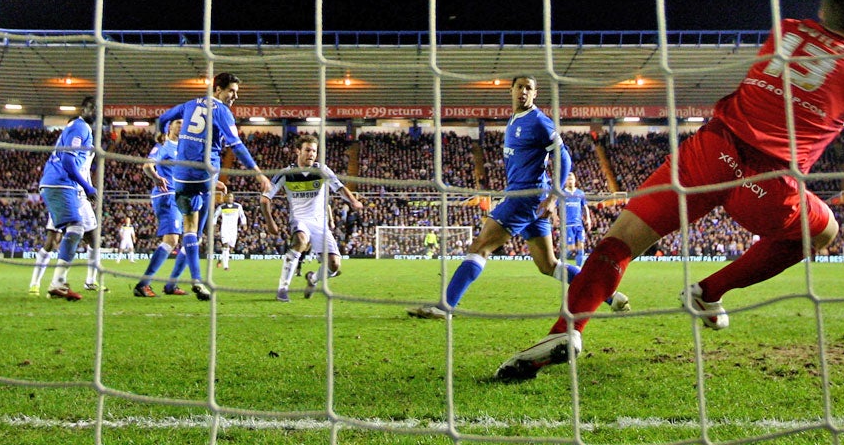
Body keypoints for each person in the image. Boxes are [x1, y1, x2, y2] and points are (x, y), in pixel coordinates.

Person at [496, 0, 844, 380]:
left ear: (822, 12)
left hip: (708, 151)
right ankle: (708, 291)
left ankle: (567, 333)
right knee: (824, 231)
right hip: (765, 182)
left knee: (621, 240)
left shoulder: (785, 31)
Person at [408, 74, 629, 319]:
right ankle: (610, 295)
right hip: (530, 196)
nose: (523, 91)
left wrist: (553, 198)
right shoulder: (515, 119)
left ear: (535, 93)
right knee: (549, 265)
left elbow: (564, 158)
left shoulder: (539, 122)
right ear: (511, 91)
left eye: (529, 88)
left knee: (480, 246)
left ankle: (444, 308)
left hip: (526, 196)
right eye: (519, 87)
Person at [157, 72, 273, 301]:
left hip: (181, 174)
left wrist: (161, 135)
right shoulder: (221, 111)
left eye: (236, 92)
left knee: (191, 228)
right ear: (218, 89)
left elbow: (164, 117)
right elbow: (237, 146)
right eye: (231, 91)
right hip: (204, 172)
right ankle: (197, 281)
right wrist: (258, 174)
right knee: (197, 231)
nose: (234, 96)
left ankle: (172, 283)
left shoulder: (190, 104)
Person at [261, 133, 363, 302]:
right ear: (297, 151)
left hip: (320, 223)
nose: (311, 154)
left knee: (334, 265)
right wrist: (270, 223)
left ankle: (313, 279)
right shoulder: (286, 173)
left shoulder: (322, 170)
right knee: (300, 241)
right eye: (307, 150)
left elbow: (340, 188)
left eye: (314, 151)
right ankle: (282, 289)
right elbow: (265, 198)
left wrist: (353, 201)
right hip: (299, 219)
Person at [39, 95, 100, 301]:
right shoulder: (80, 127)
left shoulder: (83, 130)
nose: (96, 112)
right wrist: (87, 187)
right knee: (75, 229)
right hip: (60, 183)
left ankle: (60, 283)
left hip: (62, 185)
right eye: (92, 108)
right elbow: (67, 160)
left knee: (76, 229)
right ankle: (57, 283)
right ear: (83, 109)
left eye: (99, 109)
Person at [134, 119, 189, 297]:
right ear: (169, 127)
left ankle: (171, 285)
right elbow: (147, 165)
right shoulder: (163, 146)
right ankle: (143, 284)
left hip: (180, 196)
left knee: (191, 239)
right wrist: (156, 178)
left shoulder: (182, 148)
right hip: (167, 196)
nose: (182, 125)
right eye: (178, 123)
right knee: (171, 240)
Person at [562, 173, 592, 267]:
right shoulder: (562, 193)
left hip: (579, 225)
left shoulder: (580, 193)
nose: (570, 181)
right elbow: (555, 207)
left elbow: (585, 207)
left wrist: (588, 219)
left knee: (581, 247)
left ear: (575, 181)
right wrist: (555, 218)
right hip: (567, 225)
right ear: (566, 182)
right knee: (571, 249)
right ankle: (561, 260)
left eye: (572, 179)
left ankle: (579, 268)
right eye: (568, 179)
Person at [212, 191, 247, 270]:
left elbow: (242, 215)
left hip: (234, 229)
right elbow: (215, 216)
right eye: (228, 197)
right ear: (225, 198)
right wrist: (213, 225)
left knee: (230, 248)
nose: (229, 198)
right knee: (226, 245)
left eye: (231, 197)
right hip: (225, 228)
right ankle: (226, 266)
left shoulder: (238, 206)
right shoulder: (222, 207)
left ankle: (221, 259)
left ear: (233, 198)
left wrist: (244, 224)